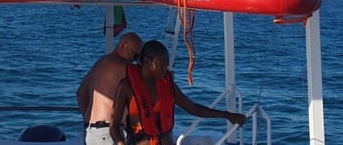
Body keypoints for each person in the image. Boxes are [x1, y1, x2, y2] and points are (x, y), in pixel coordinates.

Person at [110, 41, 245, 145]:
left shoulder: (168, 86)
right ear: (147, 63)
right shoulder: (126, 86)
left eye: (167, 63)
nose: (165, 68)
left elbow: (192, 108)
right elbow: (114, 127)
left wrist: (227, 115)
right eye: (161, 63)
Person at [76, 33, 143, 145]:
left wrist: (89, 120)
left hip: (91, 132)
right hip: (108, 132)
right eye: (134, 54)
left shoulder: (100, 63)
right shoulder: (124, 67)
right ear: (124, 45)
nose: (134, 60)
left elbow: (80, 93)